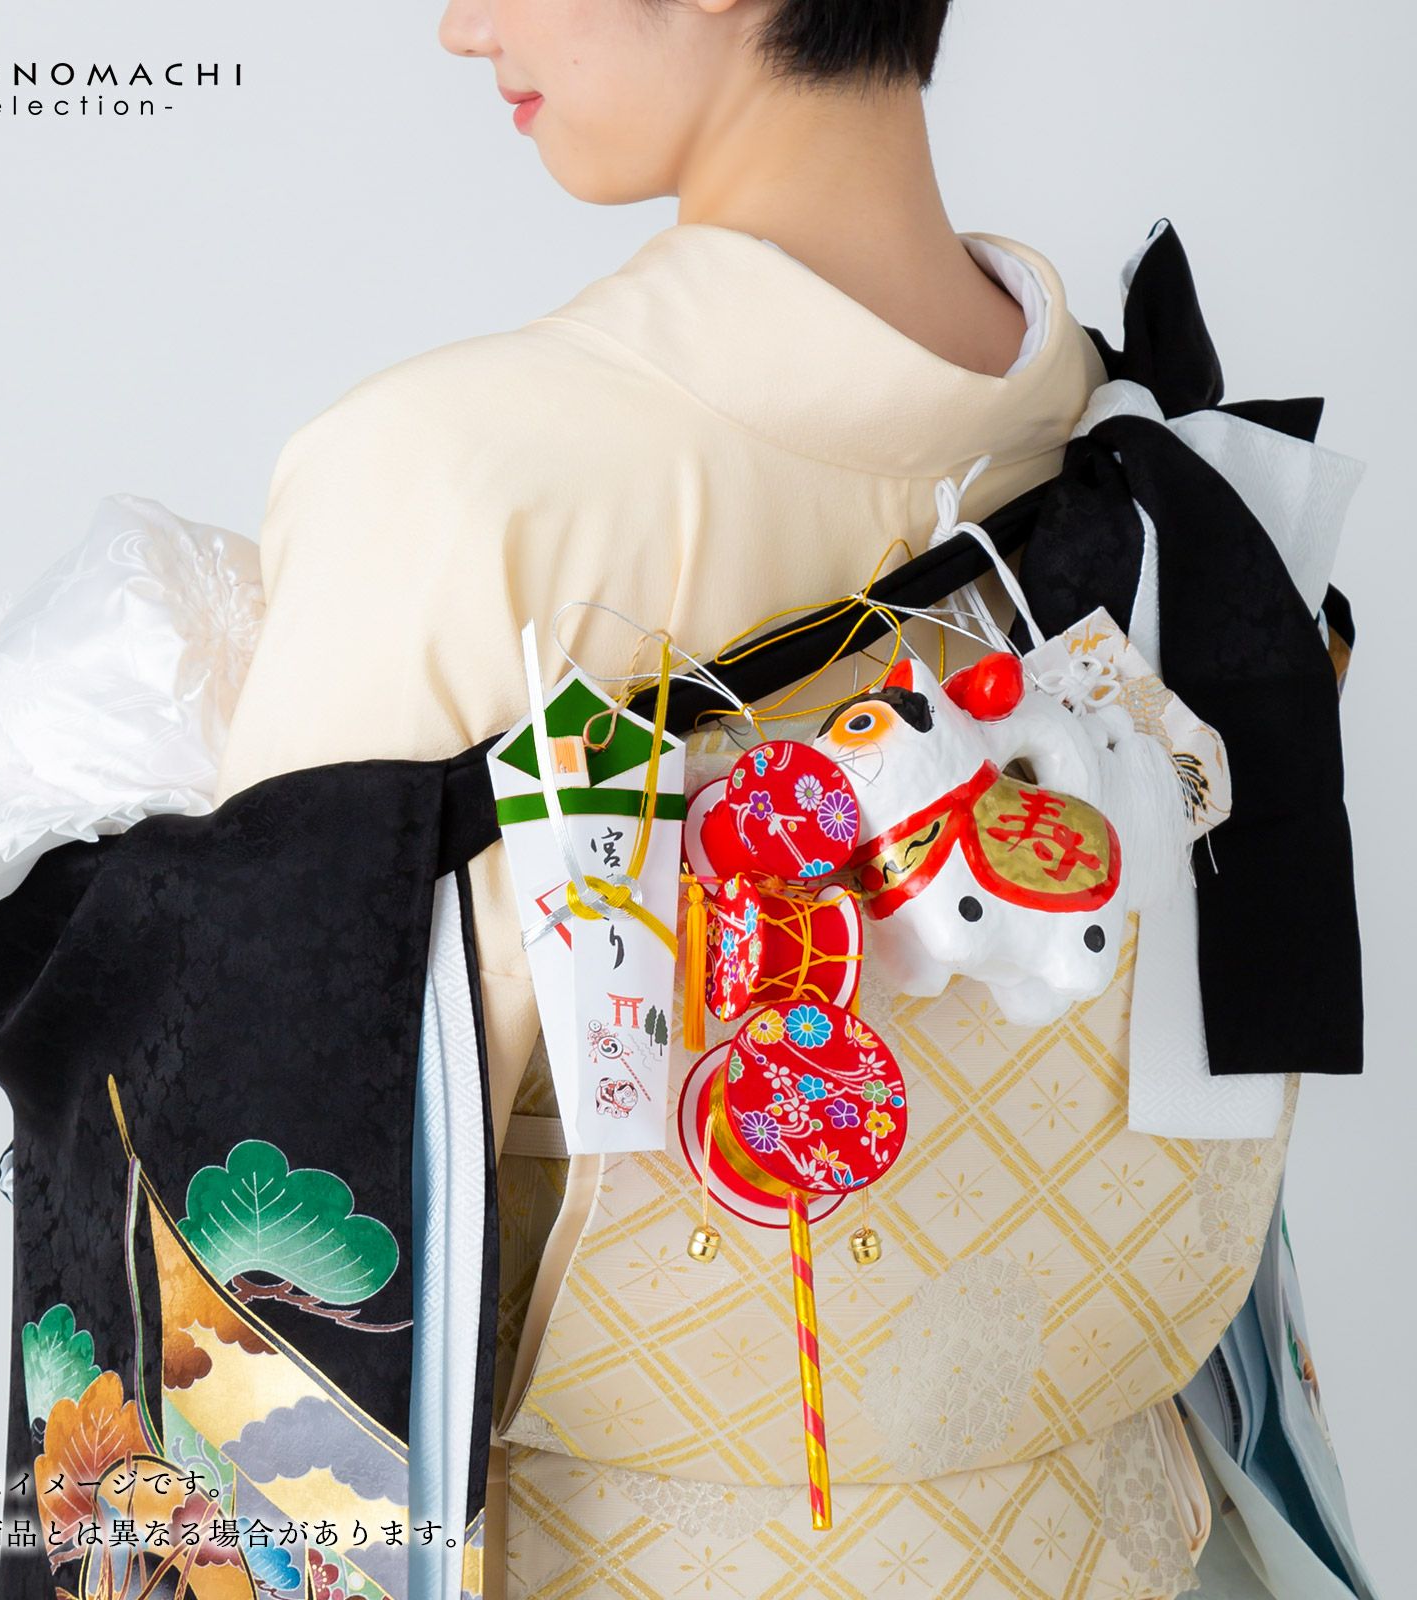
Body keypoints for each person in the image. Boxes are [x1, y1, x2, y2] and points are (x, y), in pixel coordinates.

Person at [209, 4, 1236, 1597]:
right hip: (1109, 1544)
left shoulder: (458, 480)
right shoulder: (1157, 461)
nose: (462, 26)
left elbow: (253, 1229)